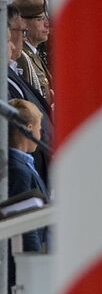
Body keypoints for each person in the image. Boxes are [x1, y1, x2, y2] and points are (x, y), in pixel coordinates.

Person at [7, 6, 53, 185]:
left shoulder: (15, 67)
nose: (12, 44)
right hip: (22, 171)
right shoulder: (19, 64)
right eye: (22, 31)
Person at [7, 99, 49, 252]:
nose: (40, 135)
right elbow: (26, 224)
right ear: (29, 129)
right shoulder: (19, 171)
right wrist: (35, 258)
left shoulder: (22, 164)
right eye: (39, 129)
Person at [12, 0, 52, 105]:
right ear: (23, 23)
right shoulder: (21, 57)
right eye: (40, 19)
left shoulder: (32, 53)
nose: (47, 24)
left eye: (47, 18)